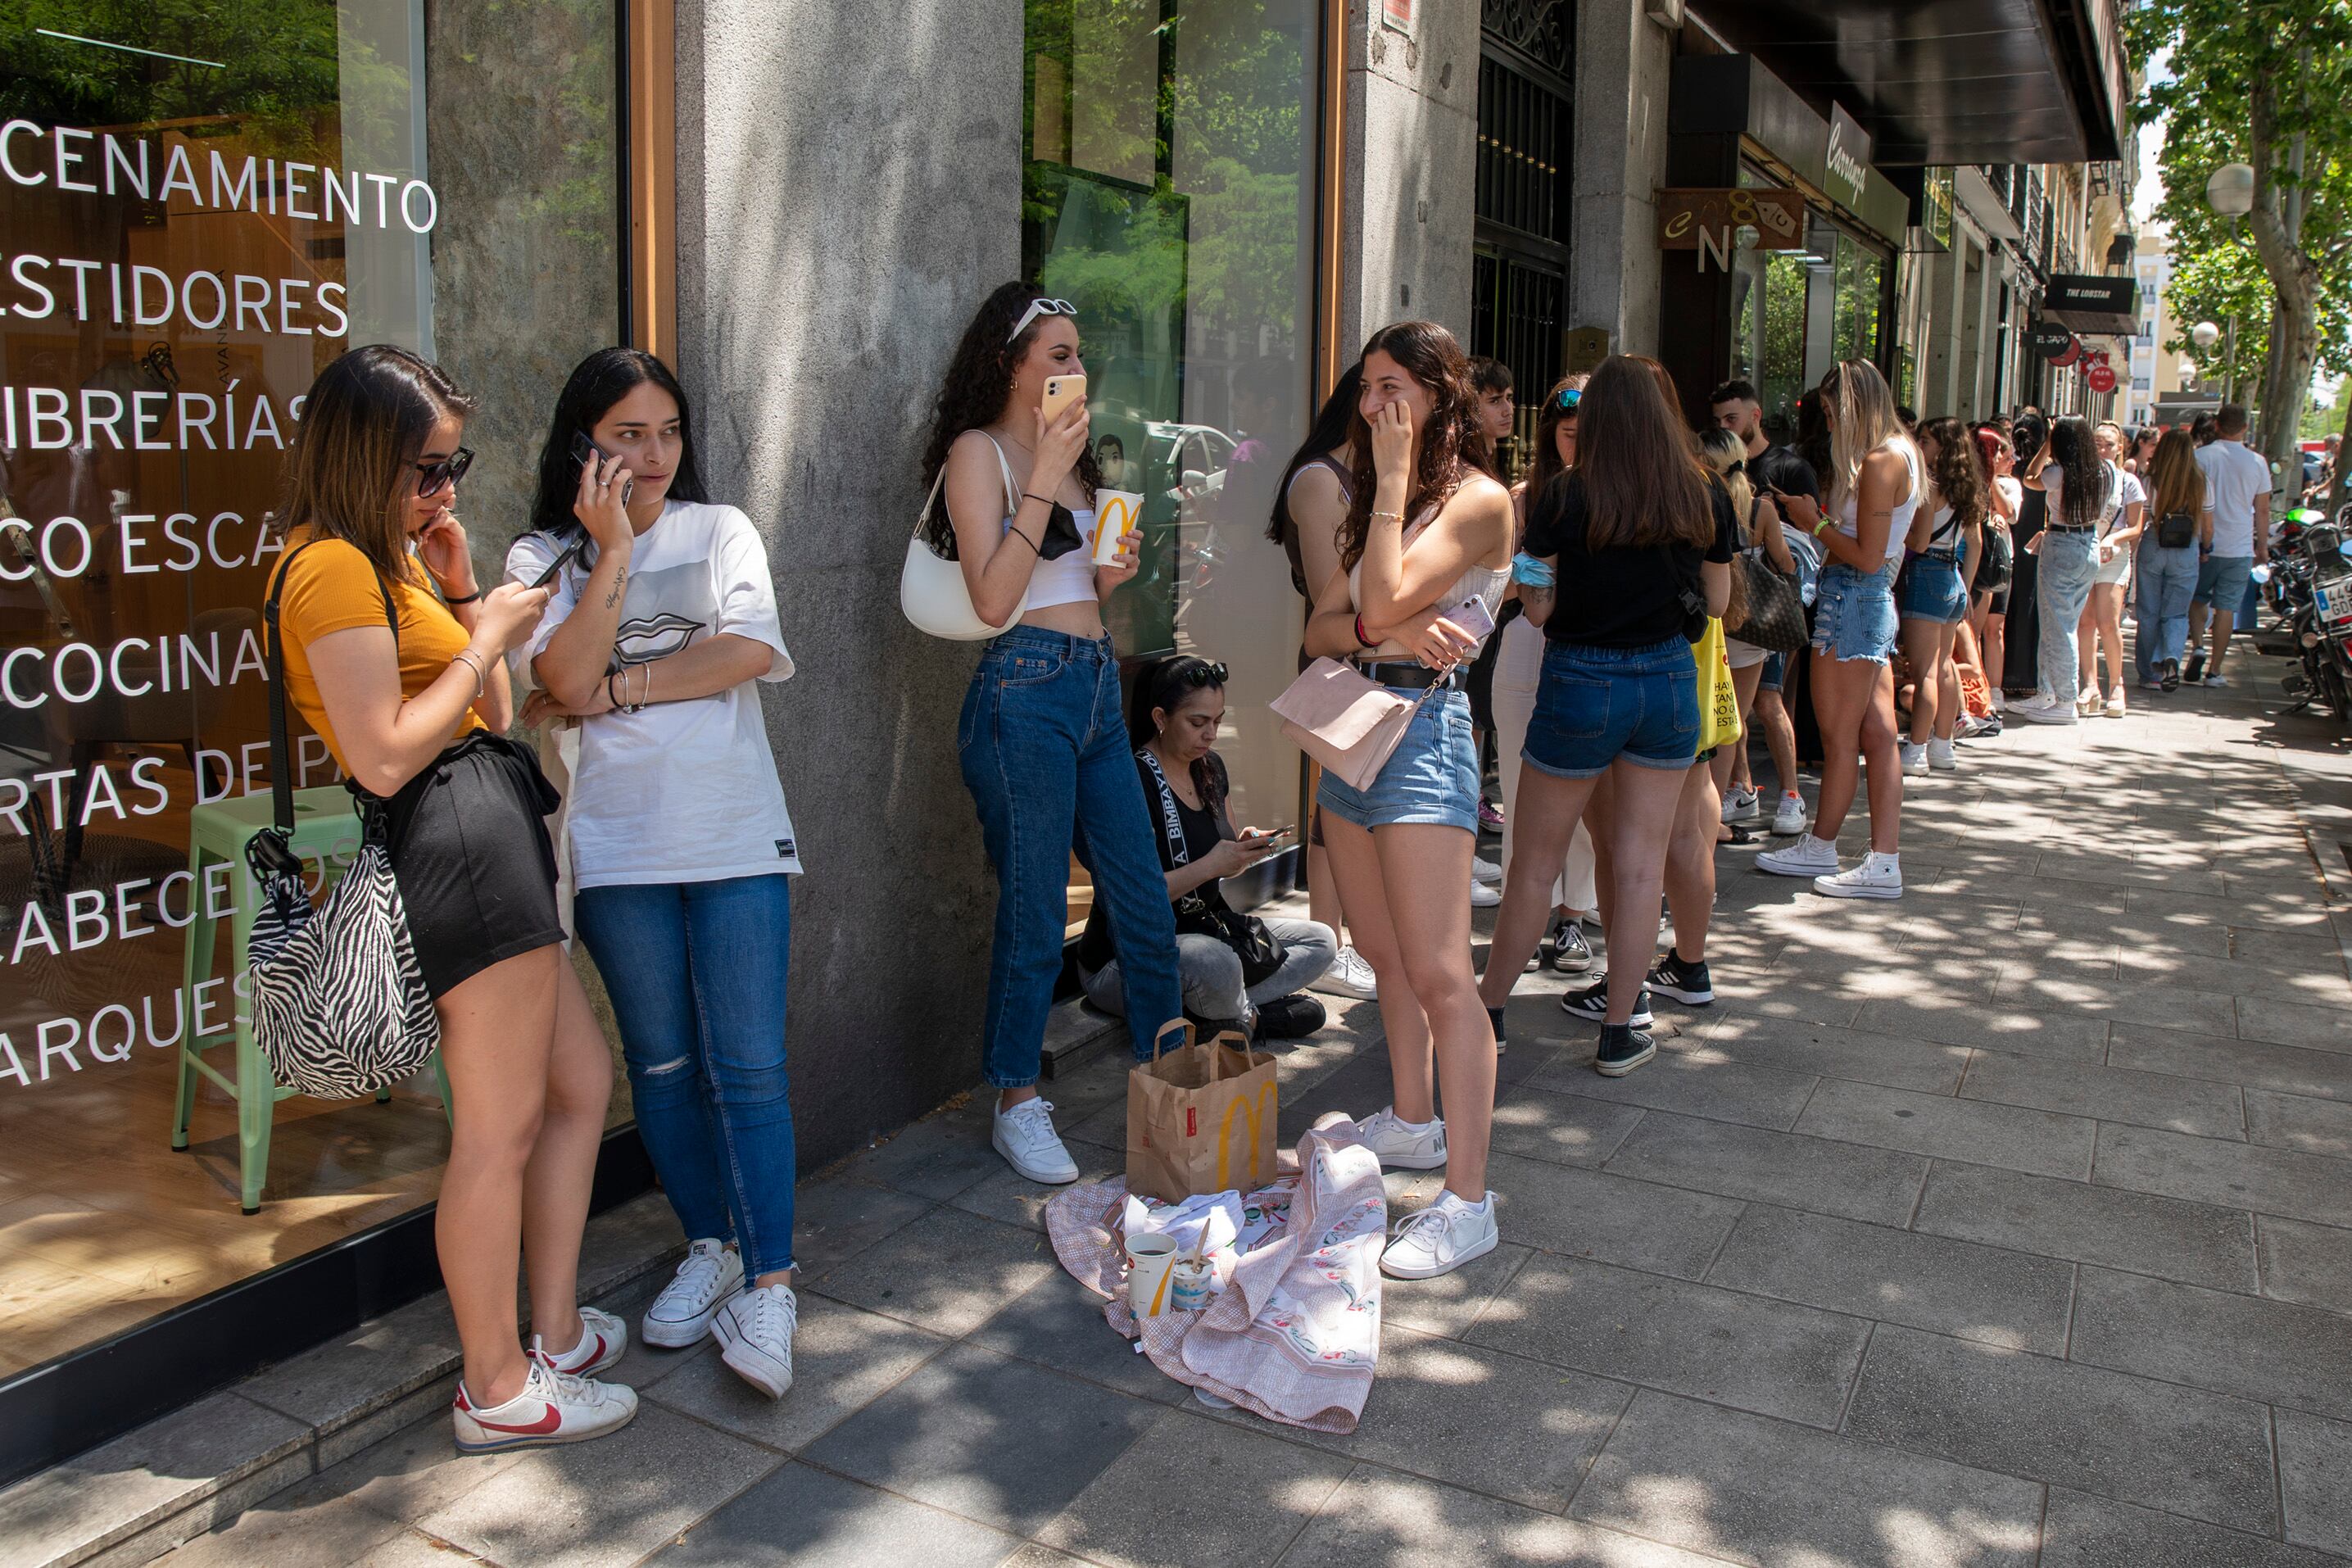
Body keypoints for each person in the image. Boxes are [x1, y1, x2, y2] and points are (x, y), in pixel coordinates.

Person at [270, 345, 631, 1452]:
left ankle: (554, 1331)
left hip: (486, 821)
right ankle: (495, 1383)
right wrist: (477, 641)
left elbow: (496, 712)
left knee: (577, 1081)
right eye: (426, 467)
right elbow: (381, 757)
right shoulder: (328, 564)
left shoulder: (393, 559)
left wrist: (463, 585)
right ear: (361, 456)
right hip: (455, 838)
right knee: (500, 1126)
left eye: (453, 463)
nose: (445, 488)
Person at [507, 348, 804, 1398]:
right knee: (663, 1067)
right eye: (629, 434)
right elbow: (558, 678)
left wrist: (618, 687)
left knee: (751, 1065)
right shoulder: (542, 557)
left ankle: (770, 1283)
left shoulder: (722, 530)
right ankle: (711, 1243)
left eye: (668, 432)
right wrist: (613, 553)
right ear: (582, 442)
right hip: (618, 850)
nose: (654, 454)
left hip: (730, 836)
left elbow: (743, 655)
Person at [925, 283, 1185, 1184]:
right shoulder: (980, 453)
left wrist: (1113, 574)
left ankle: (1173, 1077)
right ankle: (1015, 1099)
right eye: (1059, 356)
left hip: (1092, 684)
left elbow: (1077, 596)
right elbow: (994, 600)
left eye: (1079, 355)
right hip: (1022, 690)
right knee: (1037, 907)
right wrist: (1039, 480)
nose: (1077, 371)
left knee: (1143, 897)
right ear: (1010, 365)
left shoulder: (1075, 465)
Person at [1301, 320, 1513, 1280]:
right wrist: (1394, 616)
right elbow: (1324, 623)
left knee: (1439, 973)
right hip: (1355, 719)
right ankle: (1415, 1120)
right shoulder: (1392, 494)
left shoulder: (1476, 500)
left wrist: (1386, 498)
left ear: (1440, 394)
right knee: (1380, 949)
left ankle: (1469, 1201)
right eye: (1368, 387)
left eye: (1394, 386)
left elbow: (1375, 610)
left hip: (1424, 733)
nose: (1375, 403)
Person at [1478, 354, 1733, 1076]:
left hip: (1579, 680)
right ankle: (1619, 1030)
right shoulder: (1703, 494)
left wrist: (1541, 594)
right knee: (1638, 865)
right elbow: (1715, 605)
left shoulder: (1564, 497)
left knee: (1534, 864)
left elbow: (1538, 602)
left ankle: (1490, 1010)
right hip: (1666, 684)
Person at [1076, 655, 1335, 1039]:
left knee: (1320, 940)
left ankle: (1218, 1016)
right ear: (1160, 718)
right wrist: (1214, 864)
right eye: (1198, 723)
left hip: (1210, 931)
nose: (1211, 734)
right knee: (1213, 961)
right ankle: (1248, 1022)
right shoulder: (1131, 780)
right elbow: (1137, 899)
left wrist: (1242, 850)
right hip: (1128, 957)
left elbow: (1224, 852)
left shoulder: (1210, 767)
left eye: (1217, 721)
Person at [1754, 360, 1916, 897]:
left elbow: (1867, 557)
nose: (1826, 424)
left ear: (1850, 407)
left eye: (1829, 412)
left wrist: (1813, 522)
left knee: (1840, 737)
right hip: (1865, 601)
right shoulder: (1901, 452)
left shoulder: (1878, 461)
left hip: (1852, 598)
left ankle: (1823, 846)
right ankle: (1879, 858)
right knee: (1875, 734)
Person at [1269, 364, 1379, 1003]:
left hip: (1372, 660)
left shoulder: (1369, 477)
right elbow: (1324, 591)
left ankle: (1351, 938)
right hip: (1338, 664)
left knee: (1358, 809)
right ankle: (1327, 941)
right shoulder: (1319, 479)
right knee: (1332, 808)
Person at [1493, 379, 1600, 975]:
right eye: (1567, 435)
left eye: (1589, 435)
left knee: (1583, 797)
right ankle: (1523, 918)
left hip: (1588, 655)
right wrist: (1527, 570)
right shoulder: (1521, 499)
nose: (1578, 446)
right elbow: (1498, 588)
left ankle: (1571, 919)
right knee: (1517, 789)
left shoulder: (1622, 498)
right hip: (1526, 649)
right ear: (1548, 436)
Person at [2008, 416, 2117, 725]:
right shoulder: (2105, 470)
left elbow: (2029, 477)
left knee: (2059, 626)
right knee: (2060, 621)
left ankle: (2065, 700)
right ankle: (2048, 691)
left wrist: (2046, 443)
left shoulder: (2058, 472)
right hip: (2089, 544)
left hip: (2061, 543)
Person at [1896, 417, 1985, 773]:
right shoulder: (1967, 488)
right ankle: (1942, 746)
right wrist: (1966, 585)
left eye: (1927, 440)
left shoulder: (1930, 487)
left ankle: (1916, 750)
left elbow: (1918, 542)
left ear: (1944, 447)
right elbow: (1975, 543)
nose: (1921, 445)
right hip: (1952, 578)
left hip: (1927, 573)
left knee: (1925, 673)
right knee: (1944, 666)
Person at [1465, 356, 1517, 850]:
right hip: (1468, 612)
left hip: (1491, 612)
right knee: (1472, 712)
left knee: (1479, 713)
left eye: (1509, 399)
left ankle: (1470, 803)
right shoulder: (1466, 464)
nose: (1508, 410)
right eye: (1494, 400)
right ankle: (1465, 813)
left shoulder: (1493, 461)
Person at [2184, 404, 2272, 687]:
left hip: (2201, 543)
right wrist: (2262, 546)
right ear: (2246, 427)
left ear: (2217, 426)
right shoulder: (2257, 462)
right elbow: (2262, 510)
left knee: (2197, 598)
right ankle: (2215, 671)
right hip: (2239, 546)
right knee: (2227, 609)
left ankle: (2198, 644)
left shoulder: (2201, 456)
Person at [2133, 428, 2212, 692]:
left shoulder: (2150, 481)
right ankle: (2170, 657)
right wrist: (2206, 548)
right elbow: (2208, 527)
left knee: (2149, 613)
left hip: (2154, 543)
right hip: (2186, 546)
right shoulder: (2202, 482)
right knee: (2176, 613)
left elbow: (2140, 521)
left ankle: (2149, 674)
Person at [2077, 421, 2147, 716]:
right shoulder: (2083, 479)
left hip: (2114, 556)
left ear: (2120, 448)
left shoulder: (2128, 481)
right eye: (2097, 444)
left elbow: (2136, 527)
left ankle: (2117, 685)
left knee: (2108, 621)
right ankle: (2090, 685)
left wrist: (2113, 538)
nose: (2103, 449)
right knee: (2085, 622)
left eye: (2109, 444)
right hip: (2084, 552)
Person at [1971, 424, 2019, 713]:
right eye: (2002, 453)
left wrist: (1990, 480)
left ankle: (1992, 689)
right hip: (1973, 564)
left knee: (1992, 628)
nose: (2009, 460)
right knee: (1971, 633)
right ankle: (1977, 694)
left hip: (1994, 565)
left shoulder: (2009, 484)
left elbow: (2009, 513)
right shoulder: (1965, 482)